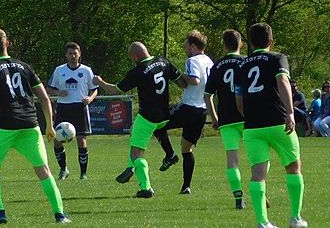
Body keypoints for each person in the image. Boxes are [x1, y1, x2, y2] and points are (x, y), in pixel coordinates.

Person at [0, 28, 68, 225]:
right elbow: (44, 98)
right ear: (7, 43)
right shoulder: (25, 66)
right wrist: (49, 126)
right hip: (30, 124)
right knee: (43, 170)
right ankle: (60, 214)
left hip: (6, 126)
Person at [236, 23, 307, 228]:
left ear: (251, 43)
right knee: (293, 167)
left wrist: (249, 116)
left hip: (252, 127)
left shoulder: (242, 65)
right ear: (271, 41)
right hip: (278, 122)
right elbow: (282, 82)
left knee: (258, 173)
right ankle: (295, 218)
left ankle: (262, 222)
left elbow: (238, 99)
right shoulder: (277, 58)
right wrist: (290, 112)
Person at [94, 41, 182, 198]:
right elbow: (180, 81)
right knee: (135, 135)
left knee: (137, 153)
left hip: (148, 117)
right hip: (164, 115)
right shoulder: (163, 61)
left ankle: (145, 188)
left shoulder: (138, 71)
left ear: (135, 57)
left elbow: (116, 90)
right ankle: (131, 167)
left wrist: (100, 82)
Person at [151, 30, 213, 194]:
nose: (184, 47)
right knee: (187, 150)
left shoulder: (192, 60)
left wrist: (177, 74)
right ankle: (186, 186)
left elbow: (194, 80)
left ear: (193, 46)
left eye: (186, 44)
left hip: (188, 108)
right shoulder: (208, 61)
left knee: (156, 124)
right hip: (201, 111)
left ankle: (170, 155)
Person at [204, 29, 248, 209]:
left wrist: (214, 118)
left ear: (224, 45)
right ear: (241, 44)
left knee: (232, 160)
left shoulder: (217, 66)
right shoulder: (246, 61)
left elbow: (208, 95)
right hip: (247, 118)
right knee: (259, 157)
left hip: (226, 119)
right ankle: (259, 189)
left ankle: (238, 197)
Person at [46, 42, 98, 180]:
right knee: (57, 140)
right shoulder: (59, 70)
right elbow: (49, 88)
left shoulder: (86, 70)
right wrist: (58, 92)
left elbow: (94, 89)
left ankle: (83, 173)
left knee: (81, 140)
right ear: (66, 55)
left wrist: (90, 98)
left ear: (79, 54)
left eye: (75, 53)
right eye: (70, 53)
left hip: (80, 108)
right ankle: (63, 170)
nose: (73, 56)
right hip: (63, 108)